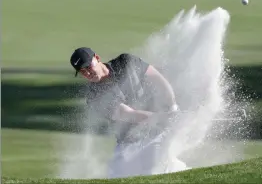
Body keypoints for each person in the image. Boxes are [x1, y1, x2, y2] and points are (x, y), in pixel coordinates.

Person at [70, 47, 186, 178]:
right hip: (128, 143)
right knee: (115, 177)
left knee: (154, 172)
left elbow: (157, 78)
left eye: (88, 66)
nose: (87, 73)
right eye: (82, 71)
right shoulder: (94, 96)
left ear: (97, 58)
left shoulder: (125, 62)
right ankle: (179, 168)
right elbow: (126, 114)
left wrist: (173, 107)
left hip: (156, 133)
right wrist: (161, 118)